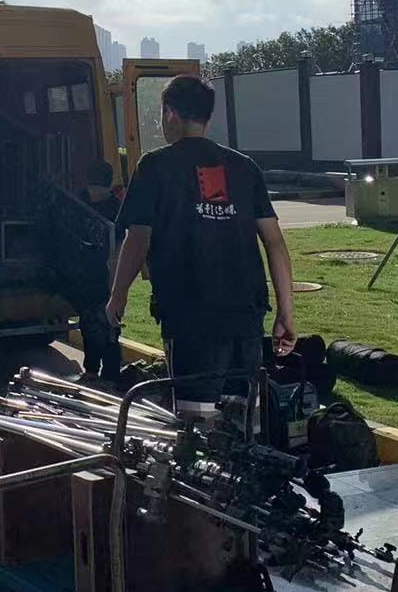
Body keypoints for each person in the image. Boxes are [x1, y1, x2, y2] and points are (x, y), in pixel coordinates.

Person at [105, 75, 296, 418]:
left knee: (196, 425)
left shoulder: (155, 165)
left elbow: (137, 238)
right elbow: (275, 243)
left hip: (190, 318)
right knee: (243, 421)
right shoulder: (244, 167)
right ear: (208, 116)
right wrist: (286, 312)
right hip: (245, 316)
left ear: (170, 114)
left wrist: (117, 296)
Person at [75, 158, 123, 383]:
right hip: (104, 274)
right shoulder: (116, 206)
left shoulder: (80, 204)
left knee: (97, 323)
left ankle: (100, 371)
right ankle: (104, 372)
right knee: (102, 323)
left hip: (94, 274)